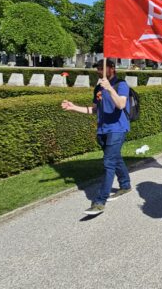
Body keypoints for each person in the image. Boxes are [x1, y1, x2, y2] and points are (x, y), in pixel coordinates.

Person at [61, 60, 131, 215]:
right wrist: (73, 107)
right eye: (98, 69)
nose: (99, 71)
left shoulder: (121, 84)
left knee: (108, 163)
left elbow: (121, 104)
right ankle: (125, 185)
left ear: (112, 69)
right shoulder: (98, 88)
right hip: (102, 130)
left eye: (102, 68)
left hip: (117, 129)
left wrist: (110, 89)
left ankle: (100, 201)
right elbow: (94, 110)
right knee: (114, 157)